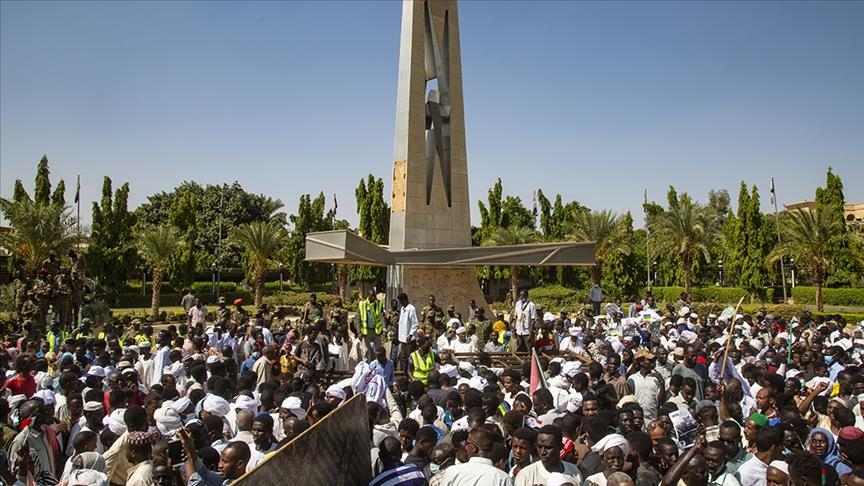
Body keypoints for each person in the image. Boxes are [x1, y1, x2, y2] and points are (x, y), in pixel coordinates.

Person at [440, 427, 512, 486]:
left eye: (467, 444)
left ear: (474, 447)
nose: (466, 448)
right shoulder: (502, 478)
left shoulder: (452, 472)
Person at [514, 425, 581, 486]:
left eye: (548, 447)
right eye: (539, 447)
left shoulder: (574, 472)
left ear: (560, 447)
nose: (543, 452)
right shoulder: (526, 475)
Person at [358, 290, 385, 361]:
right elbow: (358, 319)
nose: (373, 298)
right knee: (366, 351)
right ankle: (367, 365)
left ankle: (378, 364)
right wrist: (359, 331)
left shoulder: (379, 304)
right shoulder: (362, 304)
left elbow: (382, 317)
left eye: (374, 296)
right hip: (366, 331)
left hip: (376, 330)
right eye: (372, 296)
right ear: (368, 296)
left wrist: (384, 328)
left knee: (378, 350)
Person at [397, 293, 420, 373]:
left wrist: (410, 335)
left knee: (410, 356)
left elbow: (415, 324)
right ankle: (404, 373)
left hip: (409, 338)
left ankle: (410, 373)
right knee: (403, 357)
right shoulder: (402, 309)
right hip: (402, 338)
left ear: (405, 300)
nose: (400, 303)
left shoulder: (411, 309)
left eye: (401, 301)